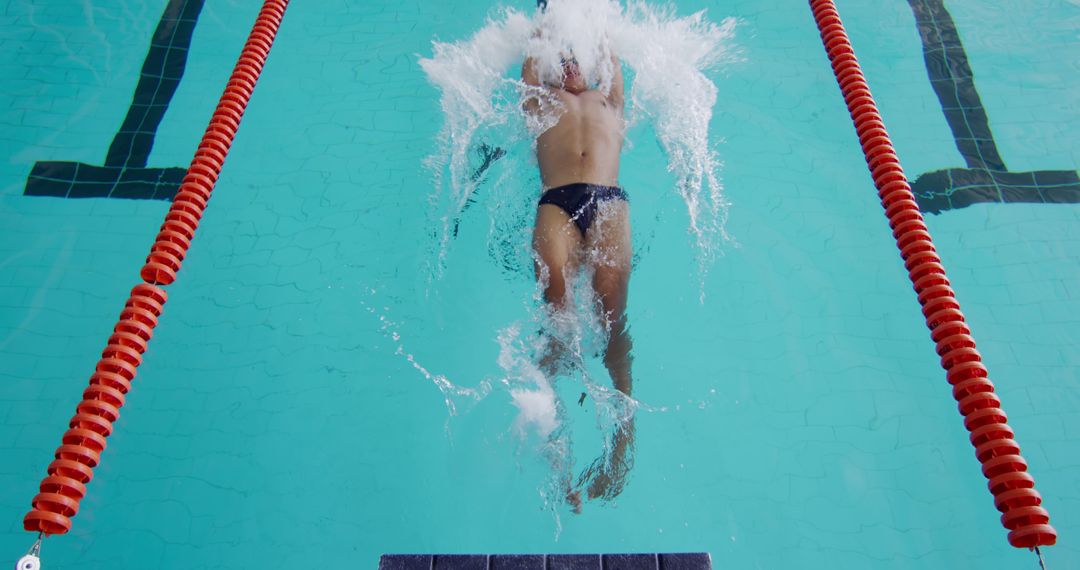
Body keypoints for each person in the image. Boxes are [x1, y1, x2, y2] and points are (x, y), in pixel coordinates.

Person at [521, 49, 635, 510]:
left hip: (609, 204)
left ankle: (622, 444)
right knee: (557, 315)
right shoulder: (540, 99)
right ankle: (556, 454)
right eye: (561, 60)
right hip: (557, 203)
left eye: (576, 58)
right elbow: (531, 62)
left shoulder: (610, 100)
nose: (569, 67)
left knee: (612, 324)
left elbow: (612, 50)